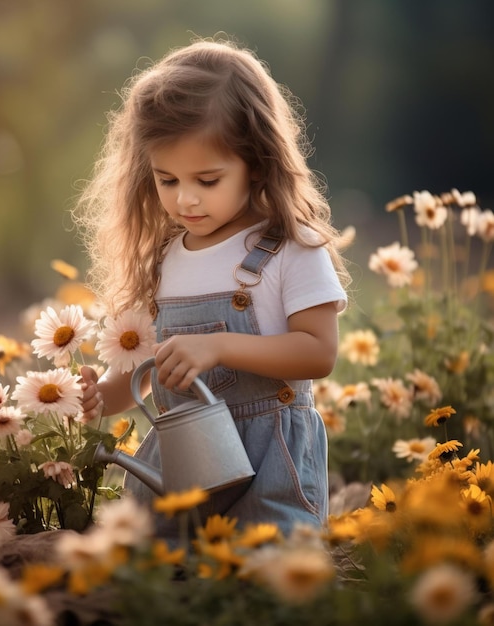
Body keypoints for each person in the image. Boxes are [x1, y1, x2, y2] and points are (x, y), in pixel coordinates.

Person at [74, 36, 350, 539]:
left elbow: (319, 352)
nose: (186, 200)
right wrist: (101, 397)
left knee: (267, 577)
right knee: (156, 577)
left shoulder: (290, 248)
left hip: (271, 463)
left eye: (207, 179)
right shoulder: (165, 258)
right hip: (180, 467)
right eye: (167, 180)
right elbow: (150, 369)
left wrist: (219, 345)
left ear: (257, 163)